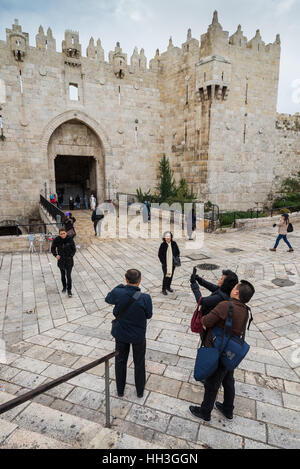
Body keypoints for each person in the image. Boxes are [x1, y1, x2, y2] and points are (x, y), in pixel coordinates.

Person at [189, 280, 255, 422]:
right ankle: (228, 409)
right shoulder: (245, 309)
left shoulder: (226, 306)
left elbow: (206, 321)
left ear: (236, 292)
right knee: (228, 380)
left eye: (235, 287)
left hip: (218, 350)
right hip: (230, 351)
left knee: (212, 384)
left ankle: (205, 412)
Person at [105, 269, 153, 398]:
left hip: (121, 334)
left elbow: (108, 299)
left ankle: (120, 391)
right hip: (138, 335)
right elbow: (149, 315)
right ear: (140, 280)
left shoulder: (118, 292)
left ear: (126, 279)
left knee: (120, 361)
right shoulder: (145, 298)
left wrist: (120, 286)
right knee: (139, 363)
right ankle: (140, 392)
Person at [51, 227, 76, 298]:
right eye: (61, 234)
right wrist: (56, 255)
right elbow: (52, 248)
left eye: (64, 233)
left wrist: (71, 256)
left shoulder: (70, 239)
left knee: (68, 275)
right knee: (62, 275)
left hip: (69, 260)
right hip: (61, 260)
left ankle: (69, 290)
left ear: (66, 233)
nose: (62, 235)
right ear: (59, 234)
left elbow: (74, 249)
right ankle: (64, 287)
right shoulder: (57, 239)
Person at [158, 231, 180, 296]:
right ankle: (163, 289)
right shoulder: (163, 245)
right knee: (166, 276)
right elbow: (160, 255)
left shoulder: (174, 243)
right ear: (164, 237)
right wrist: (163, 262)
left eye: (169, 236)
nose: (168, 238)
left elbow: (178, 252)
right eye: (166, 237)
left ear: (171, 237)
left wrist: (175, 257)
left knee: (171, 275)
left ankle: (168, 287)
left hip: (172, 264)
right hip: (166, 264)